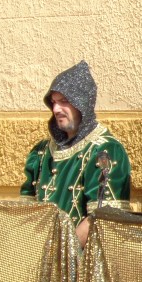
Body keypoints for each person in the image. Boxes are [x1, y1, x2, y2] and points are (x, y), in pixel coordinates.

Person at [21, 60, 131, 247]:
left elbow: (100, 219)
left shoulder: (104, 151)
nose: (56, 109)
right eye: (54, 102)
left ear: (82, 104)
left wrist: (62, 254)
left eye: (64, 101)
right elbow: (25, 212)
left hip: (80, 264)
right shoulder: (40, 153)